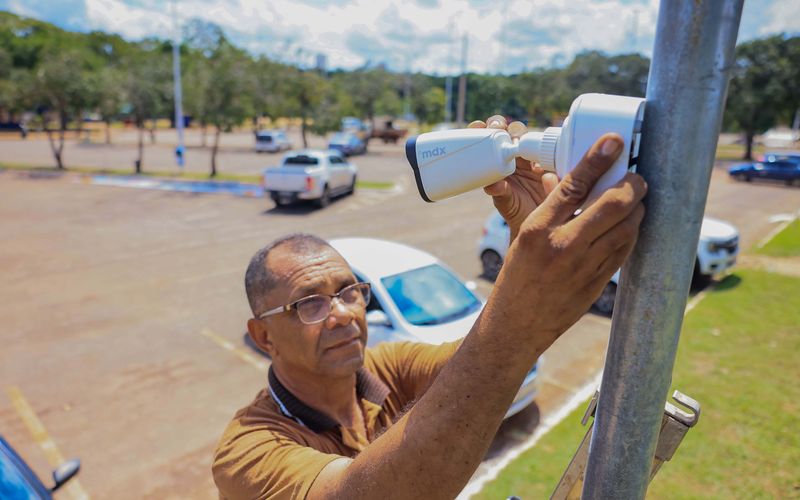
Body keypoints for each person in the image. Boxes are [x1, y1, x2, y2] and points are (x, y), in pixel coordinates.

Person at [212, 116, 648, 499]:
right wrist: (520, 318)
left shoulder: (385, 368)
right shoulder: (248, 449)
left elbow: (480, 364)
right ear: (264, 336)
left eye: (349, 292)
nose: (344, 314)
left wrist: (522, 233)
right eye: (310, 303)